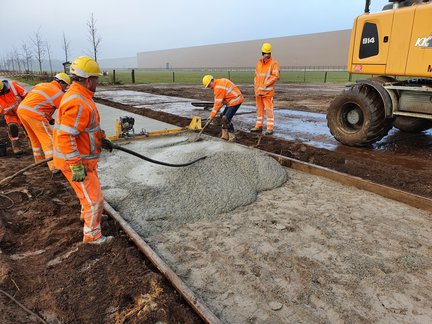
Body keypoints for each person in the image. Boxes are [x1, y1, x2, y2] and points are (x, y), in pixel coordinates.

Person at [53, 56, 113, 245]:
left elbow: (88, 127)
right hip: (78, 162)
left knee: (87, 196)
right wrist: (75, 165)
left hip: (83, 160)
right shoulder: (78, 102)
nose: (98, 82)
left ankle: (87, 216)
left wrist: (102, 138)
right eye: (96, 78)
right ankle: (92, 235)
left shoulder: (81, 96)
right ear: (88, 80)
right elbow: (66, 136)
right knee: (95, 201)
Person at [17, 73, 71, 171]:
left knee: (35, 139)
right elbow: (66, 110)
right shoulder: (58, 93)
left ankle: (39, 161)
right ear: (61, 83)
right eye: (66, 85)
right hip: (34, 114)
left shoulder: (41, 85)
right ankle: (54, 166)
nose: (65, 88)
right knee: (48, 139)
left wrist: (50, 119)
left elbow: (40, 103)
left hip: (22, 111)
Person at [202, 75, 244, 142]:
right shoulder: (218, 83)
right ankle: (225, 136)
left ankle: (232, 137)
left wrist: (212, 115)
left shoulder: (218, 87)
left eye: (209, 85)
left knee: (226, 118)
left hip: (235, 100)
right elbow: (220, 101)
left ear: (212, 80)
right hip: (231, 101)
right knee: (222, 118)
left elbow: (217, 103)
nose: (209, 87)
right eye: (208, 87)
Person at [251, 42, 280, 135]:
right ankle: (258, 126)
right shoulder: (258, 63)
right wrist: (256, 87)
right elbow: (256, 76)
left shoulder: (274, 63)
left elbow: (276, 76)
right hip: (258, 92)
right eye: (265, 54)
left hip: (267, 93)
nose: (266, 55)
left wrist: (265, 84)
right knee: (259, 110)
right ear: (262, 53)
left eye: (268, 54)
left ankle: (269, 128)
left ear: (270, 53)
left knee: (269, 110)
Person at [0, 79, 28, 154]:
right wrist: (7, 111)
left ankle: (32, 141)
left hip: (22, 110)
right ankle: (16, 146)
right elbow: (1, 110)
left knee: (27, 126)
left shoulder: (13, 86)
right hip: (10, 114)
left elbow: (27, 96)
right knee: (12, 127)